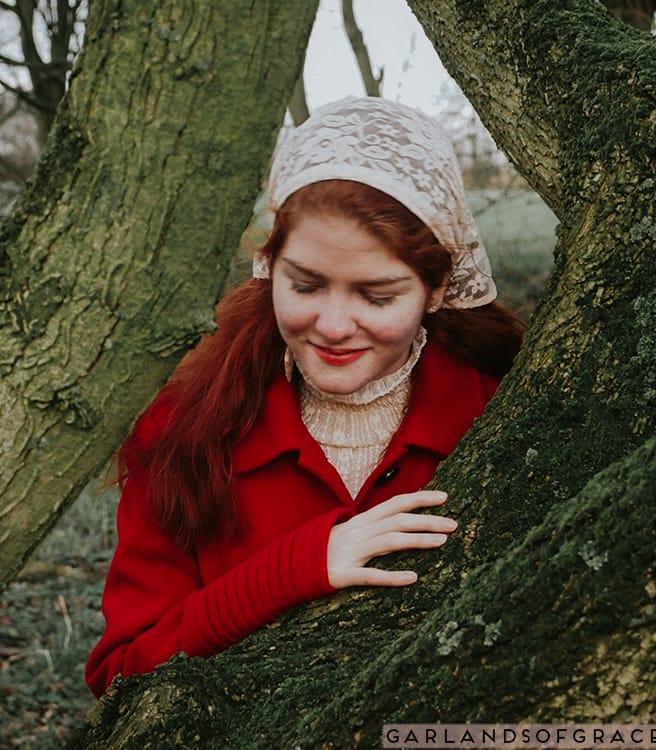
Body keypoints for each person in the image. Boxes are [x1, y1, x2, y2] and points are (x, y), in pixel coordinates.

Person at [85, 97, 526, 698]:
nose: (335, 326)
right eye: (306, 285)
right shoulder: (181, 429)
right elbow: (120, 678)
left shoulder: (505, 412)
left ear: (437, 288)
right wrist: (296, 570)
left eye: (377, 296)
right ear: (271, 266)